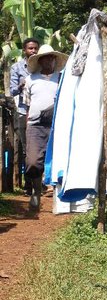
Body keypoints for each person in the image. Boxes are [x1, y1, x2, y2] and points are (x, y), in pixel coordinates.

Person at [23, 45, 67, 211]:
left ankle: (58, 195)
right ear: (40, 61)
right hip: (35, 125)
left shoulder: (61, 79)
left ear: (55, 60)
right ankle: (36, 191)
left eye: (51, 57)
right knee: (33, 161)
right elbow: (27, 105)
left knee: (57, 160)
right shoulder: (30, 80)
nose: (49, 60)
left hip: (57, 125)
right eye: (45, 58)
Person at [10, 38, 39, 195]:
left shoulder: (42, 67)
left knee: (41, 149)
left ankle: (40, 184)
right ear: (24, 50)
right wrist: (23, 84)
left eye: (35, 48)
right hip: (23, 112)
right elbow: (12, 91)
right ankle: (29, 186)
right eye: (30, 49)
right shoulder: (17, 67)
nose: (33, 51)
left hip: (41, 113)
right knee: (27, 149)